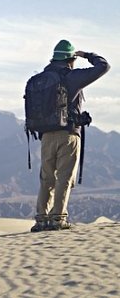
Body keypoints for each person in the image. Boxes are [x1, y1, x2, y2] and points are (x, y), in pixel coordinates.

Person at [31, 39, 110, 232]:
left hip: (46, 136)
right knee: (64, 178)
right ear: (70, 59)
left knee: (46, 178)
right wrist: (86, 55)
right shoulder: (72, 77)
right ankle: (58, 218)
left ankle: (42, 218)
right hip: (68, 134)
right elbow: (104, 66)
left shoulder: (42, 78)